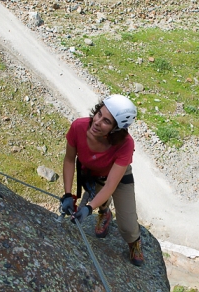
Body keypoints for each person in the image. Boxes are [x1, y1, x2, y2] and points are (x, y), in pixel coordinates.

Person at [60, 94, 144, 266]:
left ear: (115, 129)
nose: (97, 122)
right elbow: (69, 159)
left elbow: (111, 185)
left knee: (128, 225)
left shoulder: (125, 144)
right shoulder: (79, 127)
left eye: (106, 121)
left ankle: (134, 242)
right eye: (99, 114)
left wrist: (88, 208)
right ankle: (104, 213)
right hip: (94, 173)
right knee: (101, 202)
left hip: (117, 176)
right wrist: (68, 194)